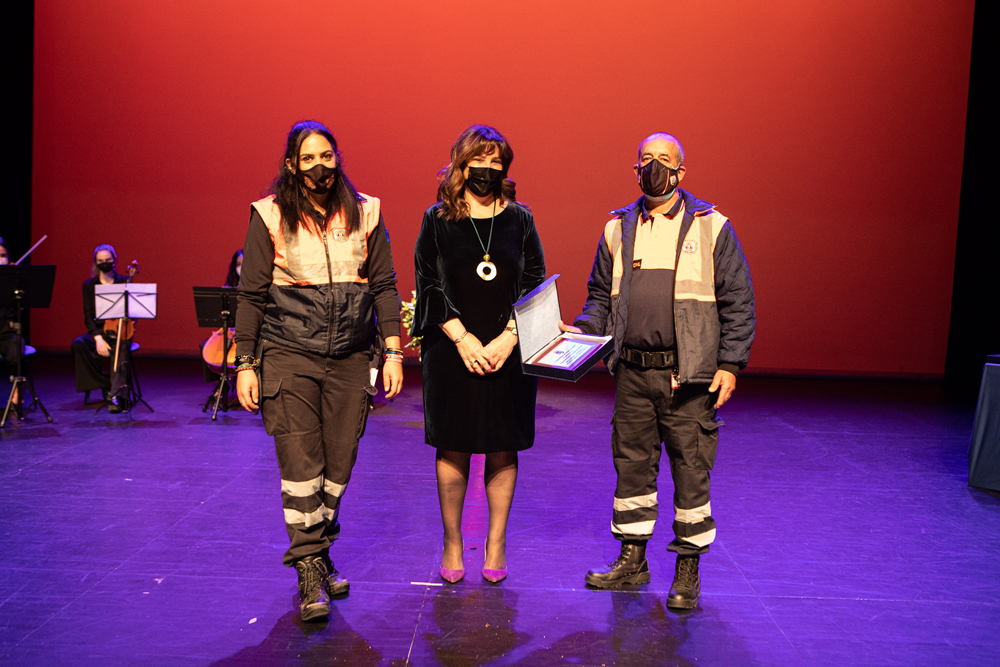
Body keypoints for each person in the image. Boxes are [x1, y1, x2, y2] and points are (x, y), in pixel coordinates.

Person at [562, 133, 755, 610]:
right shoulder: (618, 227)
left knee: (691, 470)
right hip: (631, 374)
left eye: (663, 161)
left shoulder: (712, 226)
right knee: (632, 468)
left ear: (681, 172)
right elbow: (599, 296)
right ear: (635, 169)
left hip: (687, 377)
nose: (654, 167)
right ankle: (632, 561)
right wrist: (579, 334)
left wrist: (730, 364)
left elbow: (738, 301)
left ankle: (687, 570)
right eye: (646, 160)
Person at [235, 120, 403, 622]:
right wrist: (246, 362)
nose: (318, 166)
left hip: (352, 358)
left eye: (326, 155)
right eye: (307, 158)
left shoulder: (366, 211)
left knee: (338, 467)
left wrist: (392, 352)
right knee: (300, 463)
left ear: (338, 157)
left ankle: (321, 549)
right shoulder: (269, 215)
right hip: (289, 354)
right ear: (292, 164)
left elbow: (385, 286)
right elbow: (251, 295)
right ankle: (308, 565)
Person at [413, 125, 546, 585]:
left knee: (502, 443)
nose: (488, 170)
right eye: (480, 161)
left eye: (497, 162)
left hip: (509, 349)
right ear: (461, 164)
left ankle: (495, 541)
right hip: (452, 350)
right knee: (454, 443)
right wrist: (464, 339)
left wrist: (509, 339)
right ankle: (452, 541)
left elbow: (534, 284)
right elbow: (428, 283)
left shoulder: (521, 219)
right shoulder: (437, 219)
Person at [70, 244, 129, 412]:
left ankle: (116, 395)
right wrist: (98, 338)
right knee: (79, 344)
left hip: (120, 332)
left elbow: (134, 312)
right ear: (95, 263)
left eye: (108, 260)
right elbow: (88, 316)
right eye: (100, 261)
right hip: (99, 332)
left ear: (115, 261)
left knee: (122, 347)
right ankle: (106, 383)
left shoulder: (125, 282)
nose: (105, 263)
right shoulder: (89, 285)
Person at [0, 238, 24, 405]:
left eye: (3, 255)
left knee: (16, 354)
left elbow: (23, 306)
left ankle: (17, 390)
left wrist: (15, 279)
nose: (1, 258)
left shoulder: (14, 277)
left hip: (7, 330)